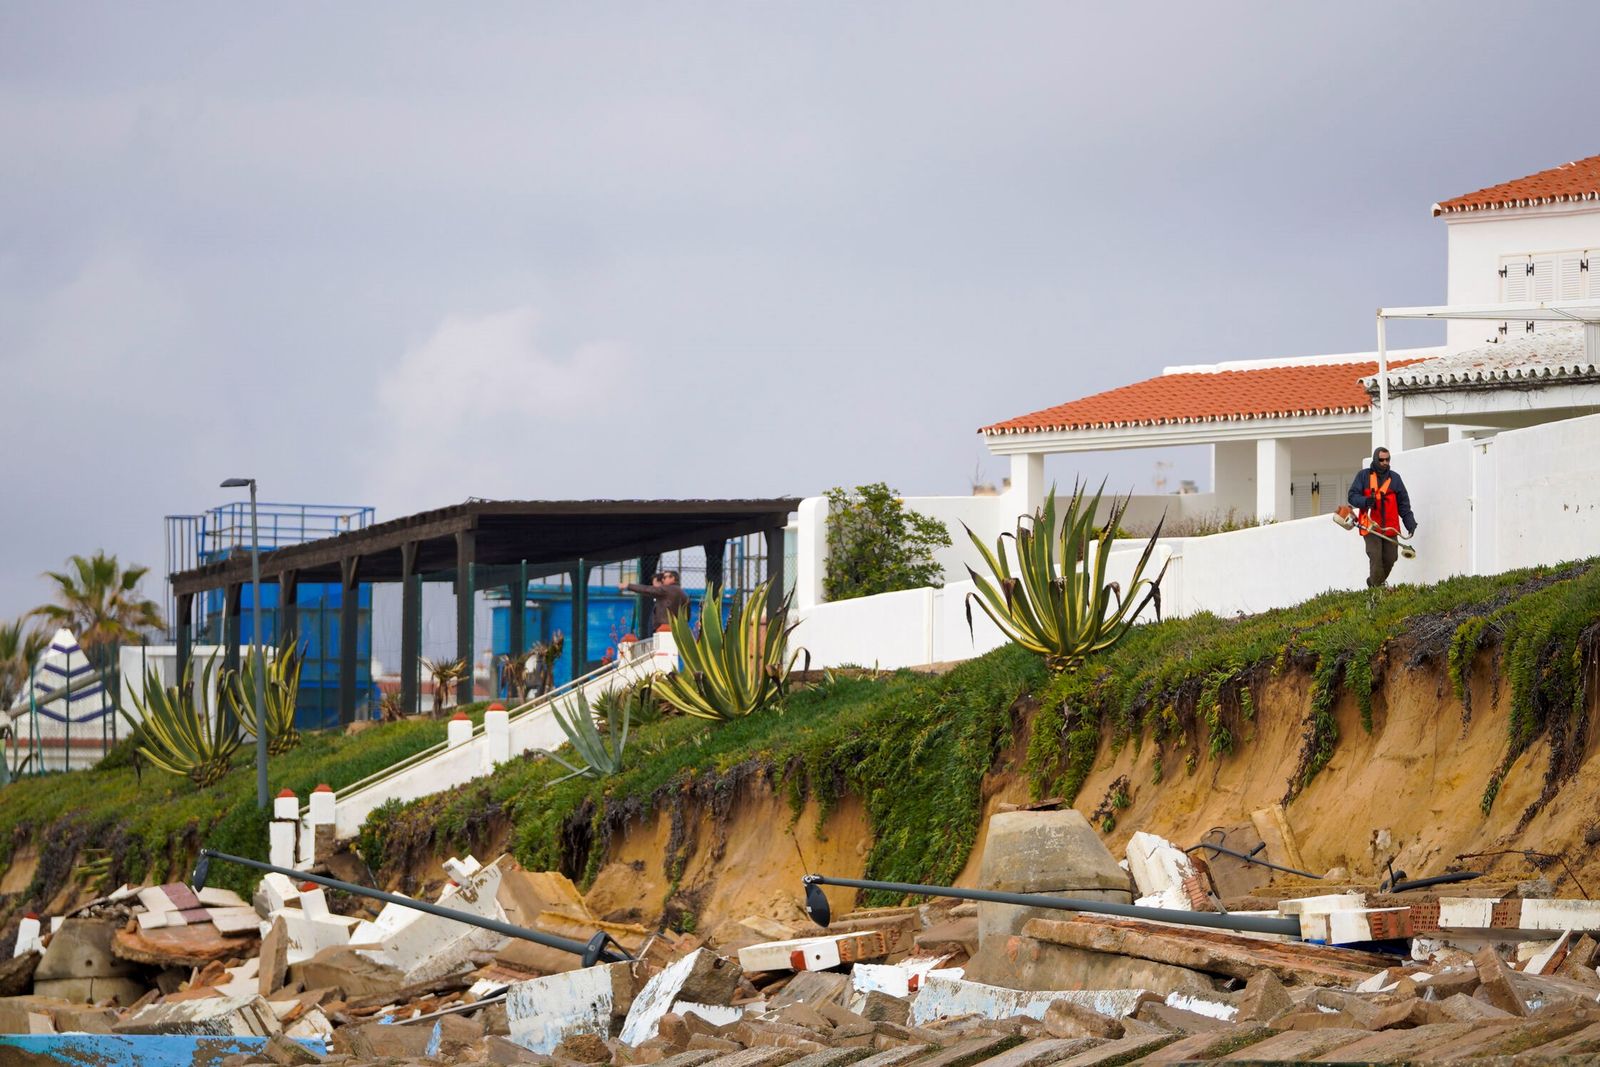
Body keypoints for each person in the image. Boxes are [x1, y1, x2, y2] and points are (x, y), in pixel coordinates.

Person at [1347, 446, 1417, 588]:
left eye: (1387, 459)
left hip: (1391, 527)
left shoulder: (1395, 479)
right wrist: (1365, 501)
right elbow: (1352, 496)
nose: (1385, 462)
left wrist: (1410, 522)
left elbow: (1403, 504)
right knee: (1375, 556)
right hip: (1370, 526)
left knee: (1391, 558)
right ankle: (1377, 590)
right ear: (1375, 459)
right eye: (1381, 460)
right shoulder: (1363, 476)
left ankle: (1373, 582)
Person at [620, 570, 691, 631]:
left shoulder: (667, 590)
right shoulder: (683, 593)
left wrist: (628, 586)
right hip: (679, 629)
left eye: (664, 577)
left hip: (665, 628)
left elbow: (646, 589)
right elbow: (687, 616)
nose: (663, 580)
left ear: (672, 578)